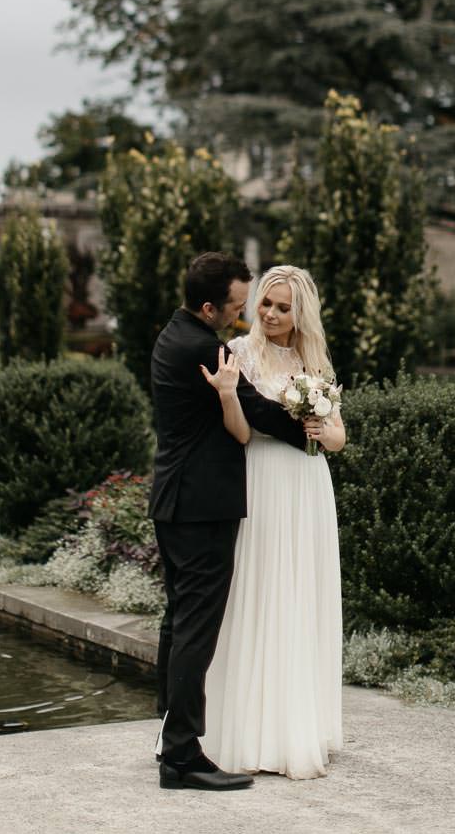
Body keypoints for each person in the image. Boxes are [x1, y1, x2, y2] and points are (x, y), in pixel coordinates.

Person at [147, 251, 312, 792]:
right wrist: (308, 428)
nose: (243, 316)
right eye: (238, 307)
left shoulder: (170, 335)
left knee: (177, 624)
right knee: (197, 630)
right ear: (208, 305)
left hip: (173, 502)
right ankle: (182, 757)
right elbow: (255, 410)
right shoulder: (203, 347)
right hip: (202, 508)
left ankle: (168, 738)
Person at [198, 263, 346, 779]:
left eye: (284, 307)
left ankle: (297, 725)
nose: (272, 313)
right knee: (259, 591)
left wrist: (320, 430)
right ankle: (246, 729)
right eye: (266, 303)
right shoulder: (238, 354)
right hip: (261, 480)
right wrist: (224, 395)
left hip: (308, 486)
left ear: (300, 312)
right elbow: (239, 433)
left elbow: (338, 437)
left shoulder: (313, 359)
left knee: (300, 595)